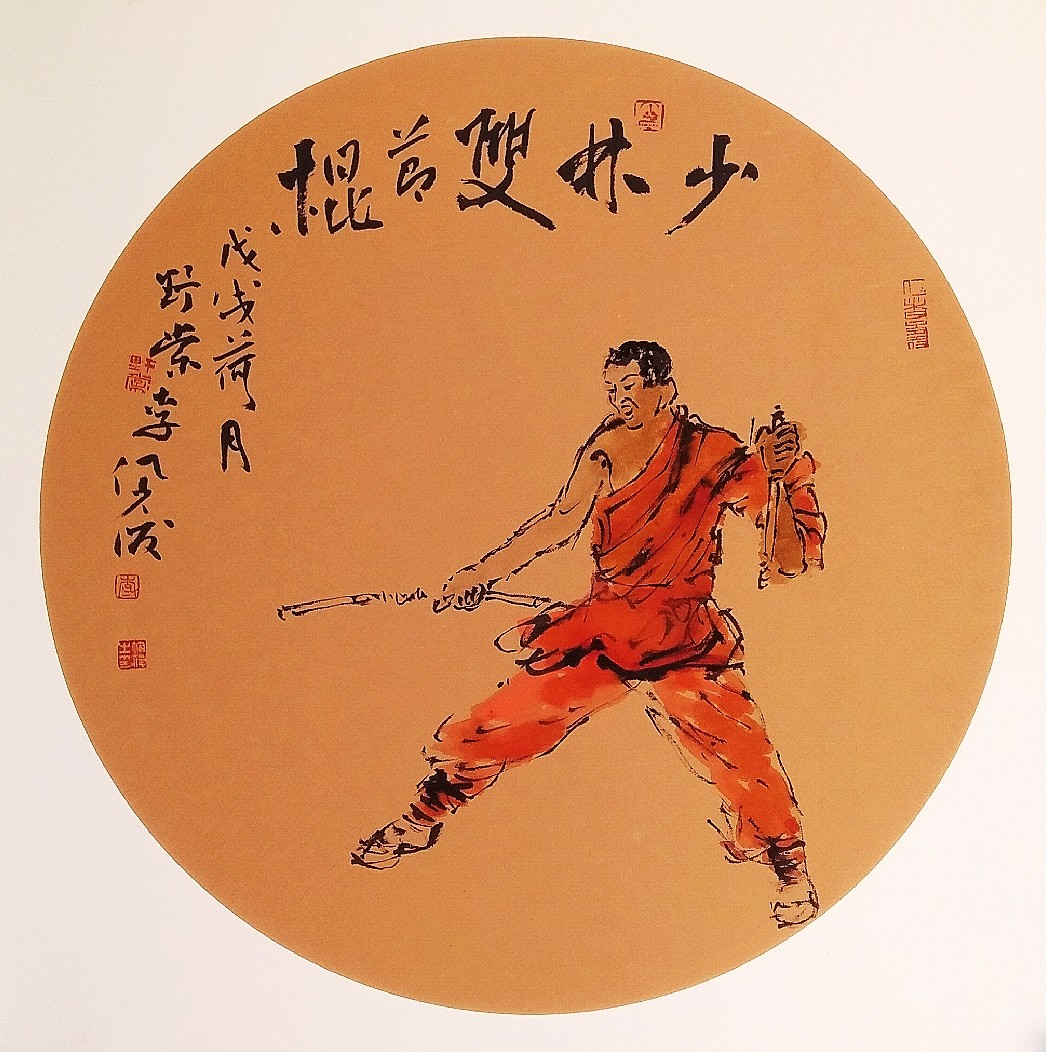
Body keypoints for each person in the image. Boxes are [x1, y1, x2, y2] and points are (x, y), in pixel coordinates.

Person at [352, 340, 827, 928]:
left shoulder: (714, 453)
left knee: (743, 755)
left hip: (683, 637)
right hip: (605, 628)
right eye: (612, 389)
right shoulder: (605, 448)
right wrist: (482, 573)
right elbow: (558, 520)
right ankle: (419, 820)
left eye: (631, 387)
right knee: (501, 721)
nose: (620, 399)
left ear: (665, 389)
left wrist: (778, 481)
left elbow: (787, 560)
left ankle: (791, 873)